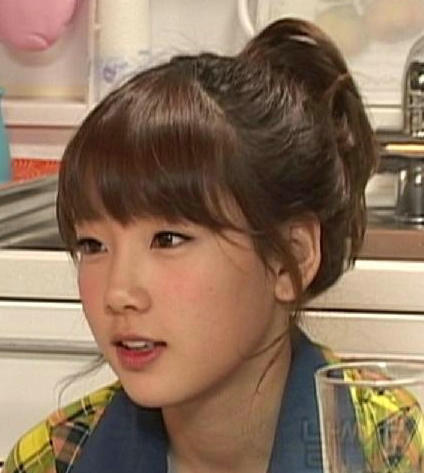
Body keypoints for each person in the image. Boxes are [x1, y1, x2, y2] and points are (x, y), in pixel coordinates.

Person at [3, 18, 379, 473]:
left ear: (292, 258)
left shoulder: (390, 446)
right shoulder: (53, 458)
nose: (117, 293)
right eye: (93, 245)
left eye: (167, 240)